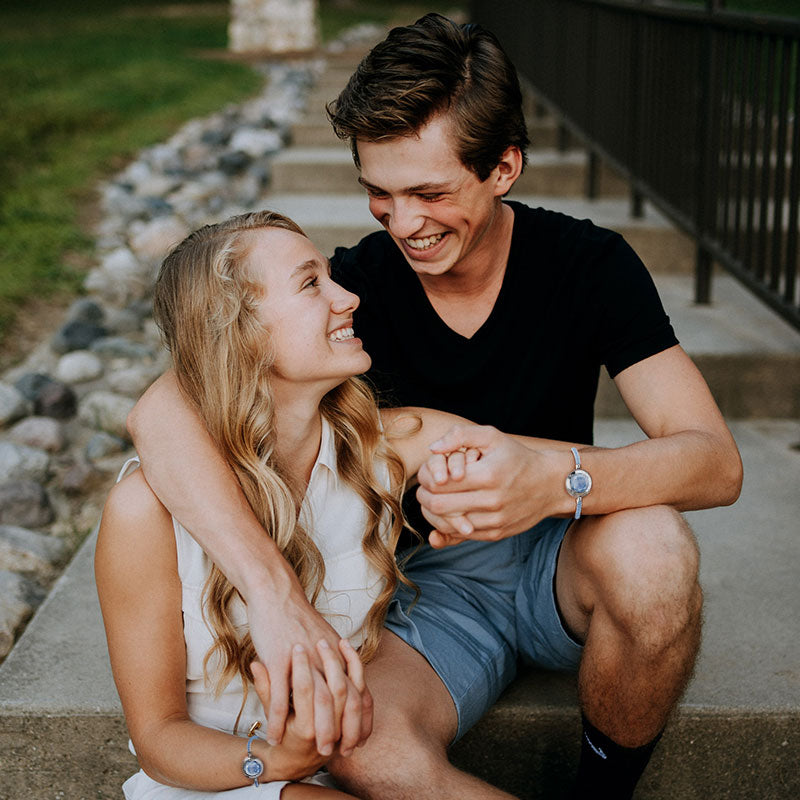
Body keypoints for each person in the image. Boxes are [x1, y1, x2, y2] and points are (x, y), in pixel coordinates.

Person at [127, 14, 743, 800]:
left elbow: (714, 462)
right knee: (359, 747)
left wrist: (554, 483)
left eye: (430, 192)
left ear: (504, 166)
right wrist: (274, 595)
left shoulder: (589, 265)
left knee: (654, 550)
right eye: (379, 193)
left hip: (567, 553)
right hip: (425, 588)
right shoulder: (356, 290)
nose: (405, 223)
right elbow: (161, 411)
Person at [96, 210, 519, 798]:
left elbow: (553, 468)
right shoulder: (143, 511)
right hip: (215, 781)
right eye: (310, 283)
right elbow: (157, 739)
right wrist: (274, 760)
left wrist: (494, 482)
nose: (348, 298)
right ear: (240, 329)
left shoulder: (386, 449)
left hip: (350, 761)